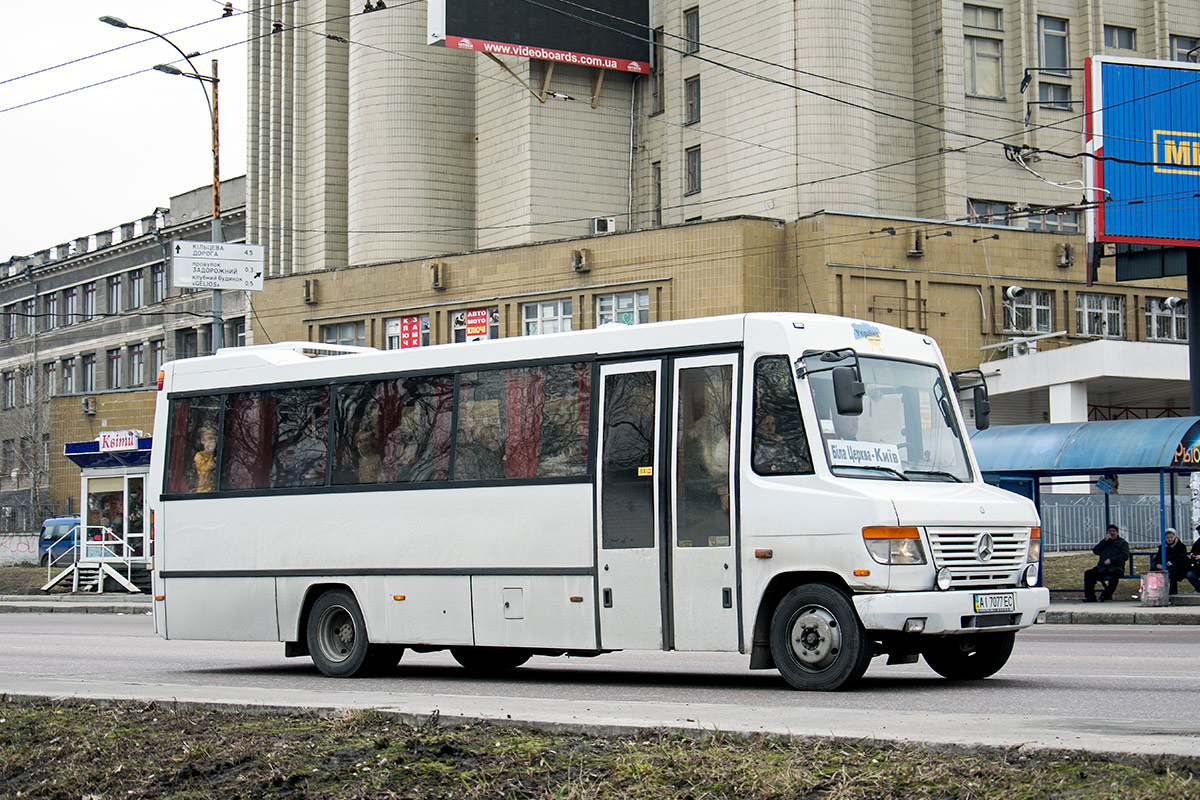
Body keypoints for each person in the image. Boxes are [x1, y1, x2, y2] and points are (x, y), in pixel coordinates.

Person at [1083, 523, 1129, 602]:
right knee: (1088, 574)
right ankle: (1090, 596)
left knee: (1115, 577)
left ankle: (1106, 595)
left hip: (1116, 567)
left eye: (1113, 531)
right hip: (1102, 568)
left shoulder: (1122, 543)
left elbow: (1124, 556)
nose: (1111, 533)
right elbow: (1096, 551)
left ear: (1117, 533)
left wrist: (1112, 560)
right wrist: (1104, 542)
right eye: (1109, 531)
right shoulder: (1105, 543)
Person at [1150, 527, 1188, 595]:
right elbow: (1157, 558)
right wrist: (1157, 564)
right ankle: (1155, 593)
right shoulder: (1162, 547)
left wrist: (1168, 564)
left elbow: (1181, 559)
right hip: (1165, 567)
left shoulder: (1181, 546)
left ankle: (1172, 594)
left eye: (1171, 537)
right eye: (1167, 538)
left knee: (1171, 574)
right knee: (1152, 571)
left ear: (1174, 537)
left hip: (1178, 568)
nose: (1169, 539)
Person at [194, 426, 218, 492]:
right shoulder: (199, 455)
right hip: (203, 490)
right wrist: (211, 454)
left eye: (215, 439)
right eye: (210, 438)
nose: (213, 441)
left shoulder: (217, 456)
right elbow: (206, 468)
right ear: (203, 440)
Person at [1186, 523, 1200, 593]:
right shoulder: (1197, 543)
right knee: (1190, 575)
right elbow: (1192, 552)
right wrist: (1192, 555)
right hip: (1197, 566)